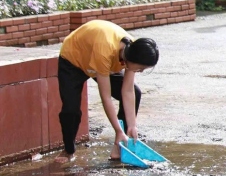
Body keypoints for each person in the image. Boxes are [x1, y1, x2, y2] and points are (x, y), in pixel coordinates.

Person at [55, 21, 159, 163]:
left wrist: (132, 125)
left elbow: (127, 91)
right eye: (141, 68)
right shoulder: (105, 50)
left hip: (102, 62)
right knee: (70, 110)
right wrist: (117, 129)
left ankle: (120, 144)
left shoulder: (133, 49)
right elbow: (106, 97)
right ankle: (68, 150)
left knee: (136, 92)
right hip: (74, 59)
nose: (140, 71)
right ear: (131, 59)